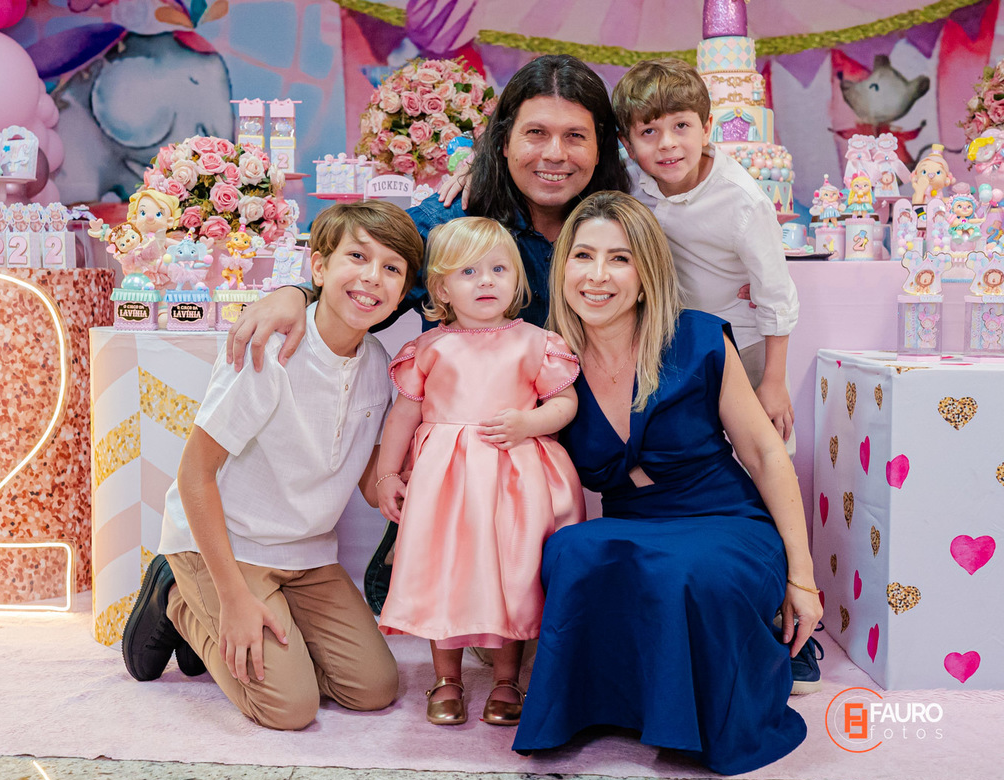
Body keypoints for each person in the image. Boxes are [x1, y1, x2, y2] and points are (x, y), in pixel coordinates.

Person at [512, 191, 821, 773]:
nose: (597, 275)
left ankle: (746, 670)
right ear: (563, 268)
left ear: (646, 274)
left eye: (619, 259)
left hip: (726, 520)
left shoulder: (697, 337)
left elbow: (764, 453)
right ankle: (593, 709)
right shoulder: (549, 359)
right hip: (635, 524)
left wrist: (802, 579)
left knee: (686, 570)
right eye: (583, 256)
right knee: (572, 550)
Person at [121, 201, 424, 730]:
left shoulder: (378, 362)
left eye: (392, 268)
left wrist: (415, 473)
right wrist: (233, 599)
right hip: (228, 544)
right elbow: (195, 474)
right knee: (288, 707)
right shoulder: (272, 350)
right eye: (357, 257)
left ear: (403, 292)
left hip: (308, 555)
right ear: (319, 267)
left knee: (374, 688)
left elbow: (366, 477)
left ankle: (262, 622)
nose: (373, 277)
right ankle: (176, 594)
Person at [224, 53, 631, 372]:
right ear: (504, 142)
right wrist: (298, 294)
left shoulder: (624, 225)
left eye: (575, 136)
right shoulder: (450, 222)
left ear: (601, 148)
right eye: (536, 133)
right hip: (469, 434)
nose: (555, 154)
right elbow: (368, 265)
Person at [374, 217, 585, 727]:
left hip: (514, 480)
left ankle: (507, 679)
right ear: (442, 288)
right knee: (443, 572)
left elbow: (565, 403)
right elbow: (402, 416)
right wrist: (387, 475)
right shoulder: (430, 348)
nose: (486, 280)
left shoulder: (535, 342)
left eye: (498, 269)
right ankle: (446, 678)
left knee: (513, 574)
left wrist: (530, 422)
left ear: (517, 280)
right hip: (445, 486)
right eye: (468, 271)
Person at [610, 58, 799, 455]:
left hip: (742, 344)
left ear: (707, 127)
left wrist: (774, 381)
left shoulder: (742, 201)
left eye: (681, 125)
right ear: (627, 143)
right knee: (691, 459)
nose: (667, 143)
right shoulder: (631, 184)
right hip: (671, 346)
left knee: (763, 453)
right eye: (649, 131)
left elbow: (776, 294)